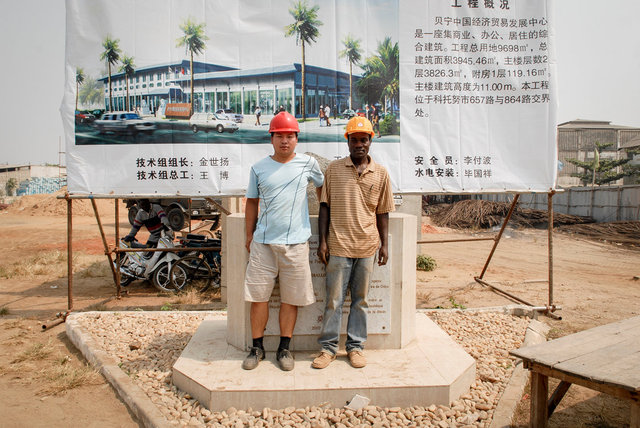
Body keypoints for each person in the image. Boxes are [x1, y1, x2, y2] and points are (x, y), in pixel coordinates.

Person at [242, 111, 324, 371]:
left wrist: (325, 213)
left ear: (297, 139)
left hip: (297, 244)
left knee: (291, 299)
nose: (285, 141)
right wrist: (249, 235)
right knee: (258, 298)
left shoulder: (308, 164)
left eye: (290, 136)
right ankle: (257, 348)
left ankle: (284, 349)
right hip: (263, 244)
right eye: (280, 136)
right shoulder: (258, 168)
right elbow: (252, 203)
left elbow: (323, 188)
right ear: (272, 139)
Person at [312, 116, 394, 370]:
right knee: (334, 301)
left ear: (370, 141)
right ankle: (328, 349)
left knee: (360, 300)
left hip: (367, 246)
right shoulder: (334, 170)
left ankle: (356, 347)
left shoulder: (380, 173)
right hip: (338, 246)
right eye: (354, 139)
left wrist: (384, 244)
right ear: (347, 141)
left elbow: (383, 211)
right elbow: (324, 207)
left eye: (364, 140)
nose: (359, 144)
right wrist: (323, 242)